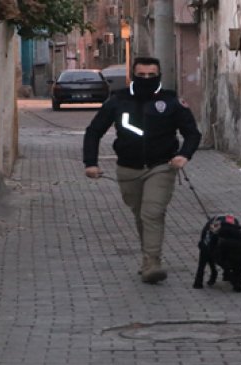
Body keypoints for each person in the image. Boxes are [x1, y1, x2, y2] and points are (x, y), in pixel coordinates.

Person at [82, 57, 202, 284]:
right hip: (128, 169)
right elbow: (94, 131)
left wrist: (184, 155)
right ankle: (147, 257)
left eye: (151, 75)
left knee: (152, 213)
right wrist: (90, 163)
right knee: (140, 215)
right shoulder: (118, 100)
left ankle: (152, 262)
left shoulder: (171, 100)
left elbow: (192, 133)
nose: (146, 79)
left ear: (159, 75)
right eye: (142, 75)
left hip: (162, 167)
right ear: (133, 75)